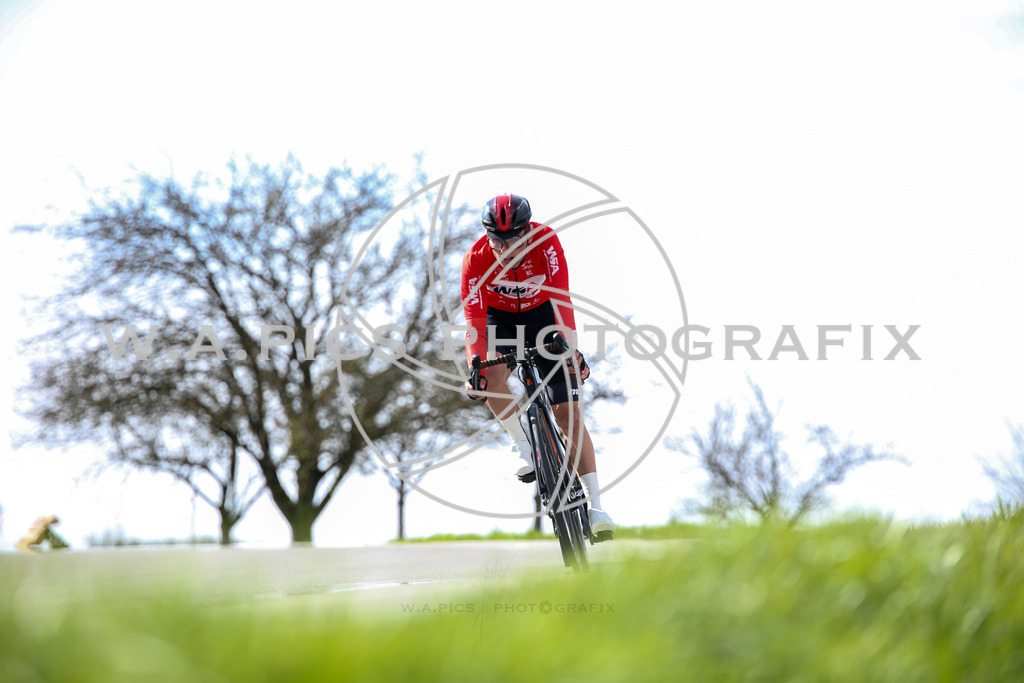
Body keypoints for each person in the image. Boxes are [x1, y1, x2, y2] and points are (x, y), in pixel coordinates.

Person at [461, 193, 615, 538]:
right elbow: (474, 314)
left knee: (568, 413)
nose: (505, 249)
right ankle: (526, 447)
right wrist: (475, 360)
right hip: (500, 321)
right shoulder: (475, 258)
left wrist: (570, 348)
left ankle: (597, 508)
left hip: (544, 315)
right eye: (497, 242)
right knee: (486, 376)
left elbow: (561, 296)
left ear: (527, 232)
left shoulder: (547, 243)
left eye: (513, 240)